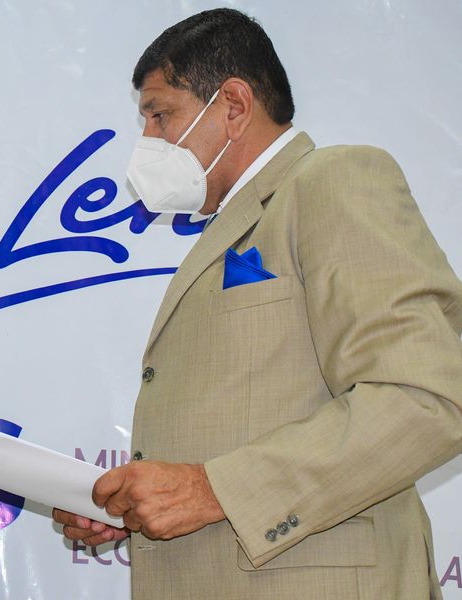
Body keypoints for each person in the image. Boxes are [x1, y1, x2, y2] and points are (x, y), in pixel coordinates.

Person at [53, 8, 462, 599]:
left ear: (235, 105)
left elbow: (426, 398)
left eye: (161, 115)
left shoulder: (332, 180)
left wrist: (211, 490)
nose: (150, 142)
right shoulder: (232, 225)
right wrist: (136, 506)